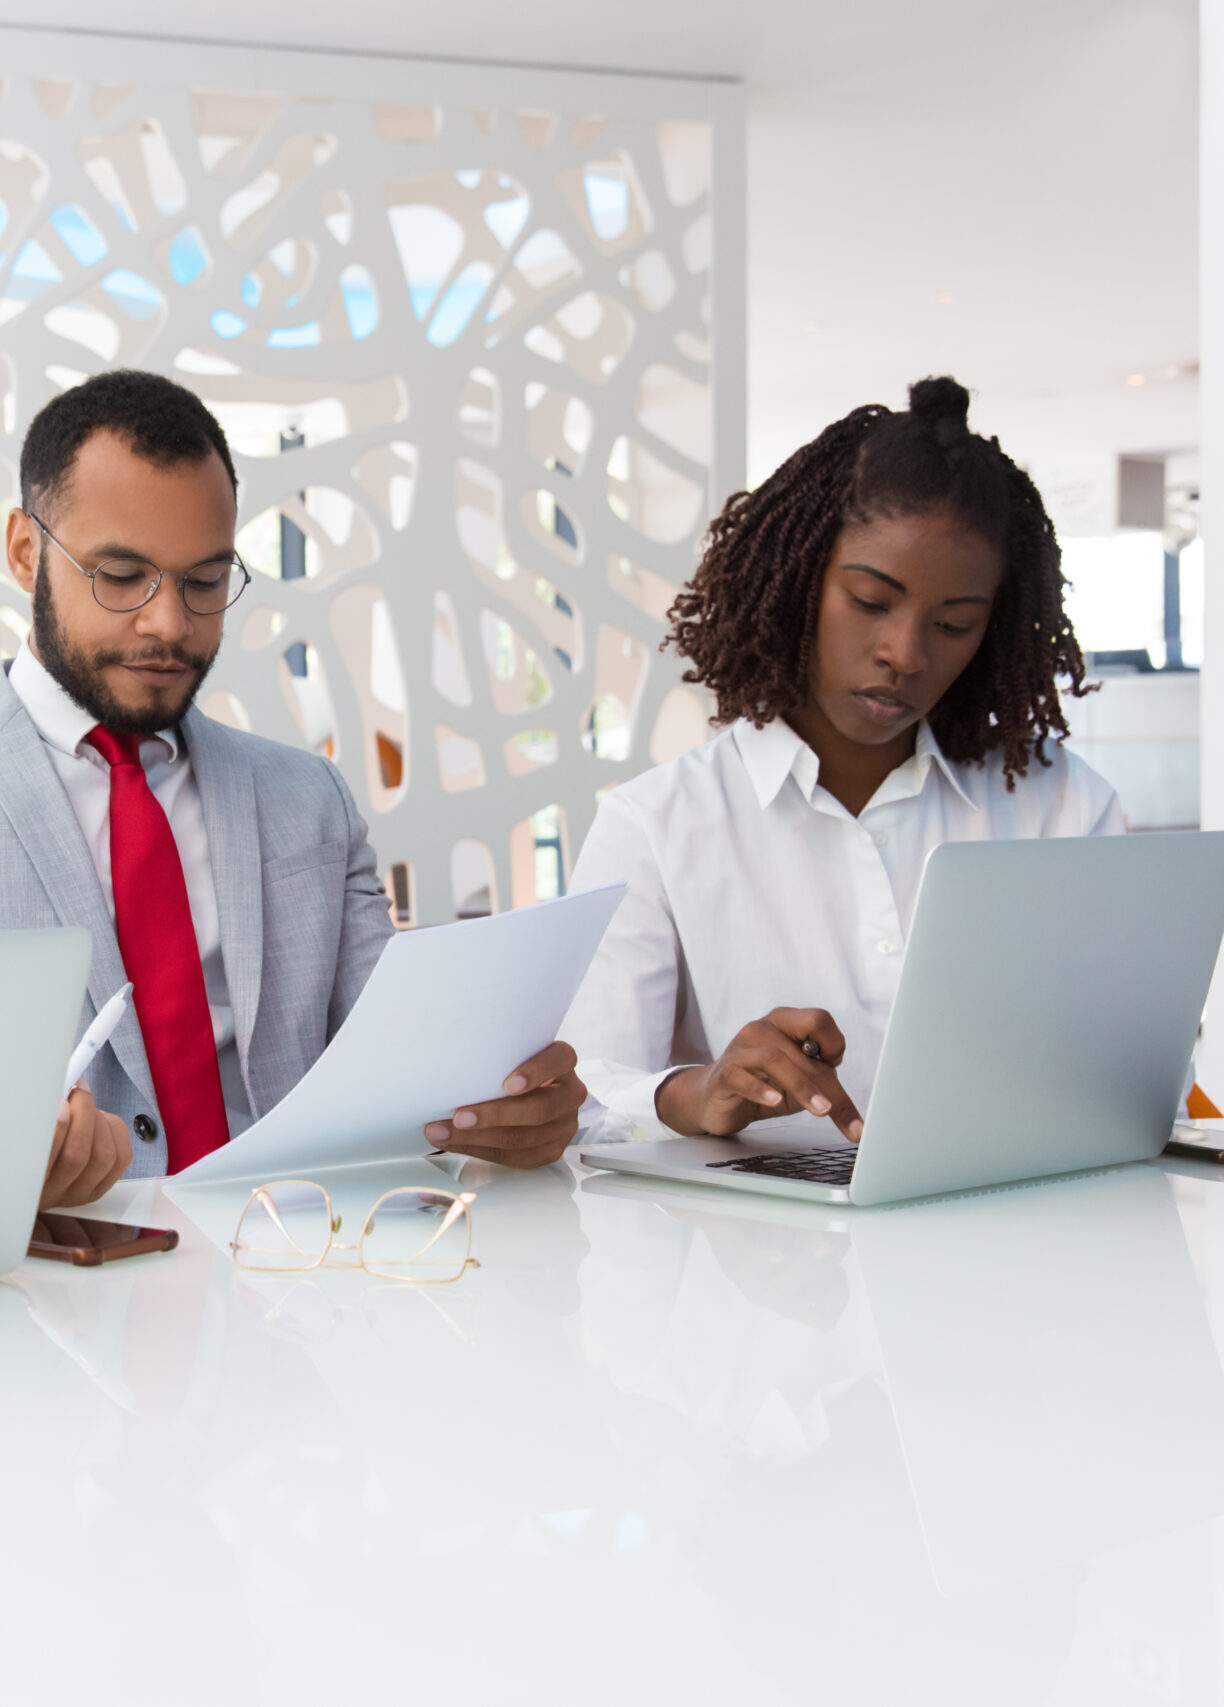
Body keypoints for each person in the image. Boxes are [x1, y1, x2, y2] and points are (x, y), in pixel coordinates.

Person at [2, 370, 584, 1209]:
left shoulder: (308, 798)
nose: (169, 623)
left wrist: (509, 1106)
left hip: (304, 1282)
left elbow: (404, 1068)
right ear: (26, 550)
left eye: (203, 582)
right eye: (121, 576)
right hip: (55, 1309)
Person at [563, 376, 1123, 1143]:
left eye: (955, 624)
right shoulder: (656, 825)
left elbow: (1129, 1076)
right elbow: (587, 1100)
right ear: (797, 585)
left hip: (1021, 1242)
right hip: (750, 1257)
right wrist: (696, 1094)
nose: (905, 652)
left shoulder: (1063, 807)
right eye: (869, 600)